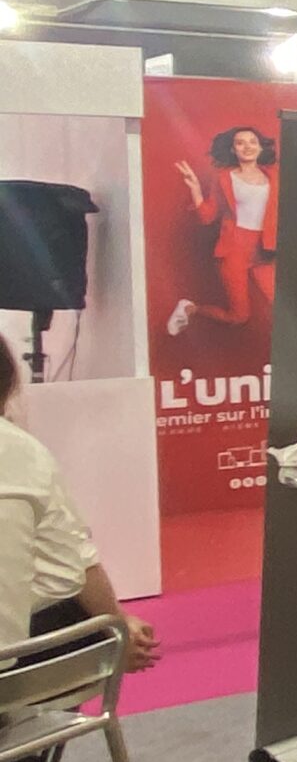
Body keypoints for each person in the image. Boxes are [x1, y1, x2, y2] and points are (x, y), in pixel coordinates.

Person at [0, 336, 160, 668]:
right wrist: (118, 627)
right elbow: (74, 563)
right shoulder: (25, 451)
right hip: (20, 676)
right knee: (73, 607)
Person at [165, 124, 278, 335]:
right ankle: (190, 309)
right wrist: (196, 190)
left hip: (265, 249)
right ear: (233, 150)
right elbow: (208, 216)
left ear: (261, 148)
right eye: (240, 143)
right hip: (234, 249)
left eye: (253, 142)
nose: (247, 147)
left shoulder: (275, 178)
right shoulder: (225, 178)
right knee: (239, 317)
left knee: (281, 306)